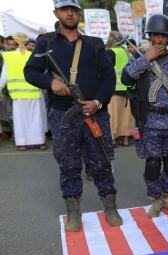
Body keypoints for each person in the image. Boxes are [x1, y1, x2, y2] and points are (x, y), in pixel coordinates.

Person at [24, 0, 122, 232]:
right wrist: (51, 82)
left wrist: (97, 102)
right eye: (65, 9)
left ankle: (110, 207)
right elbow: (30, 71)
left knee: (102, 163)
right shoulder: (46, 42)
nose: (70, 13)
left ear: (78, 14)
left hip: (95, 114)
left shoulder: (95, 44)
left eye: (74, 10)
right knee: (68, 166)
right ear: (56, 12)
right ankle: (74, 212)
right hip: (63, 115)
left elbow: (109, 78)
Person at [121, 14, 168, 218]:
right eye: (156, 35)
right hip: (150, 120)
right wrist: (146, 58)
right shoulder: (139, 57)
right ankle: (155, 201)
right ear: (150, 36)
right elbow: (125, 78)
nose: (160, 39)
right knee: (152, 163)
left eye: (163, 36)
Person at [0, 32, 47, 151]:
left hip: (17, 93)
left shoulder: (9, 57)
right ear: (27, 43)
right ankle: (40, 142)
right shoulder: (33, 56)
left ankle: (22, 143)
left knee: (20, 119)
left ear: (14, 43)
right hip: (34, 92)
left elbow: (3, 78)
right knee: (36, 117)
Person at [106, 31, 135, 147]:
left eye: (109, 37)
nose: (107, 39)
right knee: (126, 116)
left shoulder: (111, 53)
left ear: (112, 39)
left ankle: (112, 139)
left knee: (113, 115)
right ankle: (126, 139)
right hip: (128, 89)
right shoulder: (127, 52)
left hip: (114, 90)